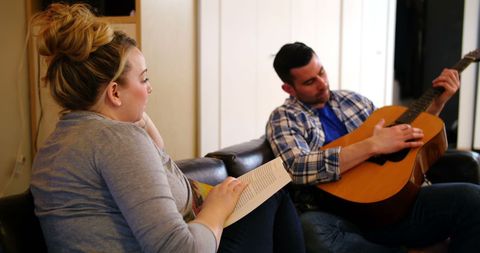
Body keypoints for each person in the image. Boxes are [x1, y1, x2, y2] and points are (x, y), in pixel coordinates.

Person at [30, 4, 305, 253]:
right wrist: (216, 210)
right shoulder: (116, 140)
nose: (149, 88)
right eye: (144, 78)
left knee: (269, 195)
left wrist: (133, 112)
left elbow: (156, 156)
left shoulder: (63, 140)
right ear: (114, 92)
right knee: (274, 196)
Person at [266, 42, 480, 253]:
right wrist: (371, 145)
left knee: (473, 199)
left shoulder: (353, 100)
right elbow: (297, 167)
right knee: (311, 230)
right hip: (343, 217)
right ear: (289, 88)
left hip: (396, 204)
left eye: (322, 72)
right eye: (310, 81)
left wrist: (438, 103)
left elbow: (402, 137)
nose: (322, 83)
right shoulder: (284, 118)